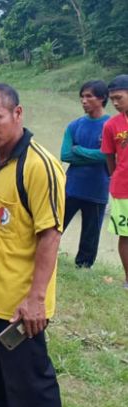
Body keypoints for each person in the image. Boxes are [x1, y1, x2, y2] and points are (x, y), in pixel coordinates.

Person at [0, 83, 65, 407]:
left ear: (17, 113)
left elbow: (50, 235)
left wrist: (35, 299)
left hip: (19, 308)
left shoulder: (39, 166)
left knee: (31, 390)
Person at [60, 80, 111, 268]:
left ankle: (83, 265)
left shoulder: (111, 126)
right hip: (71, 187)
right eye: (82, 96)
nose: (84, 100)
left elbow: (109, 156)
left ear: (102, 98)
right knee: (55, 225)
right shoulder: (74, 125)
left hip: (98, 188)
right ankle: (46, 256)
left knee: (91, 232)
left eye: (89, 96)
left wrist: (79, 150)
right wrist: (97, 154)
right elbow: (65, 154)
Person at [100, 74, 128, 290]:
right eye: (113, 99)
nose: (116, 103)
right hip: (123, 188)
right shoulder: (111, 125)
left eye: (119, 97)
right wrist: (116, 177)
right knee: (125, 235)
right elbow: (109, 156)